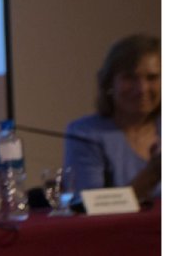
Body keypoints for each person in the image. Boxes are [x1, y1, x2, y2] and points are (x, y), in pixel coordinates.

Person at [64, 34, 160, 200]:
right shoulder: (85, 133)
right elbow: (90, 207)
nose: (142, 89)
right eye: (129, 78)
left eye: (152, 78)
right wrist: (152, 175)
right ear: (109, 83)